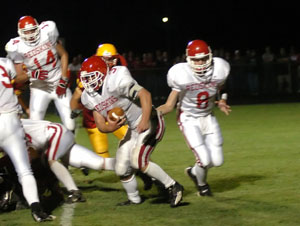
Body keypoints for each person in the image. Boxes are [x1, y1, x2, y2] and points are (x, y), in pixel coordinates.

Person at [79, 55, 184, 207]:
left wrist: (144, 120)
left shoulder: (117, 79)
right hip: (133, 128)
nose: (88, 82)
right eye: (85, 78)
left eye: (91, 77)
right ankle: (134, 199)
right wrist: (112, 127)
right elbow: (101, 125)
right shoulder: (88, 97)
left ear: (102, 72)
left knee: (138, 160)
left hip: (149, 120)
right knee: (121, 167)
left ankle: (173, 186)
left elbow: (145, 95)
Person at [157, 40, 231, 197]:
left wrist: (222, 99)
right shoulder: (181, 74)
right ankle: (202, 184)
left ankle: (192, 172)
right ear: (188, 59)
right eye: (196, 59)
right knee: (204, 160)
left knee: (217, 161)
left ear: (210, 56)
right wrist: (148, 114)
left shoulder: (220, 69)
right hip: (189, 118)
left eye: (203, 58)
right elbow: (169, 105)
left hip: (208, 117)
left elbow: (221, 85)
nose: (200, 63)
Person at [0, 57, 55, 222]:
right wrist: (33, 72)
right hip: (10, 120)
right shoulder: (4, 62)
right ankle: (37, 210)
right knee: (24, 170)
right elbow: (19, 81)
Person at [20, 118, 117, 203]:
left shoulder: (11, 129)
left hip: (54, 134)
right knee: (99, 163)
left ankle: (74, 192)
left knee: (51, 160)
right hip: (57, 136)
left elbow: (33, 154)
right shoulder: (12, 125)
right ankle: (128, 164)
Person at [5, 15, 75, 131]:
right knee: (35, 126)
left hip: (58, 82)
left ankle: (68, 147)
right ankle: (42, 148)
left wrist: (63, 79)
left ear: (38, 28)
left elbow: (64, 55)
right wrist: (32, 74)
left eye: (32, 30)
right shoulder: (17, 46)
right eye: (26, 32)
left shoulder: (47, 33)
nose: (31, 34)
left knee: (70, 124)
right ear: (20, 32)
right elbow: (18, 78)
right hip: (39, 88)